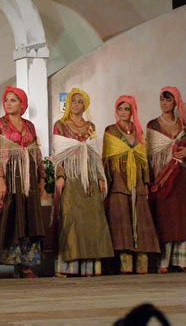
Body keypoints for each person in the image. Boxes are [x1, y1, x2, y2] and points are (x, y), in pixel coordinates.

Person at [52, 88, 113, 276]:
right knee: (71, 218)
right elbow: (59, 154)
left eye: (80, 101)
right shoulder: (60, 125)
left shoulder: (90, 126)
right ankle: (68, 266)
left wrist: (101, 177)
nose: (77, 104)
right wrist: (60, 176)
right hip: (71, 177)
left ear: (85, 105)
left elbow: (95, 153)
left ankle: (90, 267)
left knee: (93, 219)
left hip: (90, 177)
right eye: (74, 100)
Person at [0, 86, 46, 278]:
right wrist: (0, 180)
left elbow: (36, 151)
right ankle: (6, 260)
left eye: (14, 100)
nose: (9, 103)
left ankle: (25, 265)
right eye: (7, 100)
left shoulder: (29, 125)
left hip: (28, 177)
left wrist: (42, 177)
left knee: (29, 218)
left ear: (22, 104)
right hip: (9, 175)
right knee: (10, 216)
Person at [147, 86, 186, 273]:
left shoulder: (184, 126)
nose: (164, 103)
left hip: (180, 176)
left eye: (168, 100)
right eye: (162, 99)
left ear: (175, 102)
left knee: (183, 216)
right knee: (165, 217)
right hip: (161, 177)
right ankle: (163, 261)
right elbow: (149, 153)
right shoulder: (152, 125)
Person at [102, 95, 160, 274]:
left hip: (137, 182)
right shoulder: (110, 131)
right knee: (121, 218)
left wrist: (147, 181)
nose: (123, 113)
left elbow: (144, 158)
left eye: (127, 109)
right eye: (120, 109)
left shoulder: (139, 132)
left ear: (132, 111)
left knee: (141, 217)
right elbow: (107, 157)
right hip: (119, 180)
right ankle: (125, 259)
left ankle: (142, 258)